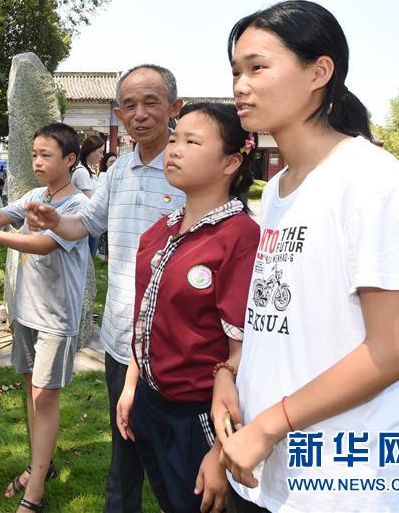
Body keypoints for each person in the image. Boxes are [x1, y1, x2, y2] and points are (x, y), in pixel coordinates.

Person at [214, 0, 399, 512]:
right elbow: (284, 317)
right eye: (236, 72)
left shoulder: (371, 181)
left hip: (348, 485)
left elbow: (395, 349)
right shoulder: (275, 192)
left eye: (257, 67)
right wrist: (232, 377)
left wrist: (270, 423)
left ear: (320, 70)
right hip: (267, 475)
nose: (240, 86)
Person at [25, 64, 186, 513]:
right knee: (124, 449)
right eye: (129, 105)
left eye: (151, 102)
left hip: (175, 341)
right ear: (119, 112)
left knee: (181, 459)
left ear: (174, 107)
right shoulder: (119, 171)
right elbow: (88, 224)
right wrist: (57, 220)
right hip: (120, 337)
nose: (139, 114)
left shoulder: (188, 167)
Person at [115, 101, 259, 513]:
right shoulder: (159, 232)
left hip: (200, 419)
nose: (173, 149)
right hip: (150, 405)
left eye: (191, 141)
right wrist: (131, 387)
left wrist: (221, 451)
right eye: (174, 139)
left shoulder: (240, 238)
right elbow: (145, 320)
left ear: (231, 161)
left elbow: (244, 355)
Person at [0, 122, 89, 513]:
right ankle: (40, 469)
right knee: (31, 393)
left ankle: (34, 496)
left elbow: (43, 244)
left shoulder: (77, 206)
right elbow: (2, 215)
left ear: (69, 159)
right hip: (27, 313)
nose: (37, 161)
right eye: (34, 154)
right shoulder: (35, 194)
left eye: (46, 155)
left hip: (55, 318)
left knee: (44, 398)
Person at [72, 135, 106, 256]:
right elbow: (92, 200)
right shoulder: (81, 172)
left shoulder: (88, 171)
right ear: (91, 150)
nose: (102, 156)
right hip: (84, 222)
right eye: (100, 152)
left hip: (88, 222)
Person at [97, 151, 118, 257]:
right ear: (105, 163)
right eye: (111, 161)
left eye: (115, 161)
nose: (113, 164)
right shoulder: (103, 175)